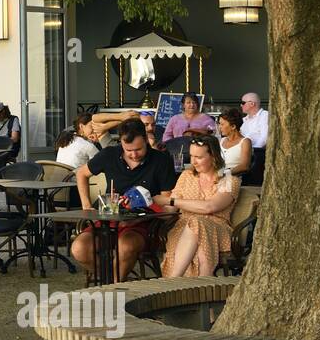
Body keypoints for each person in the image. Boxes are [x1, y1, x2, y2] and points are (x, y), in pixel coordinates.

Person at [71, 118, 177, 281]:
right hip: (110, 216)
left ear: (146, 139)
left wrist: (147, 207)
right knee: (79, 248)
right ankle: (109, 280)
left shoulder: (161, 160)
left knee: (125, 245)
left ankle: (112, 288)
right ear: (120, 142)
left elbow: (167, 200)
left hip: (145, 222)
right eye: (128, 150)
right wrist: (86, 205)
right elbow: (81, 174)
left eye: (139, 149)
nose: (134, 155)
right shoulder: (109, 154)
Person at [154, 135, 239, 277]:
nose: (193, 161)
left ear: (214, 156)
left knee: (196, 223)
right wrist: (151, 204)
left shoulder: (229, 180)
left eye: (199, 157)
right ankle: (201, 289)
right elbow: (170, 211)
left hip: (217, 228)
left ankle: (173, 281)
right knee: (197, 239)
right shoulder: (186, 176)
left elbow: (210, 207)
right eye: (191, 156)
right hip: (183, 228)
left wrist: (171, 201)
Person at [239, 92, 269, 185]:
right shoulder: (244, 120)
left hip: (258, 154)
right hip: (243, 154)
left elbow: (265, 137)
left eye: (243, 103)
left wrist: (251, 151)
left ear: (252, 104)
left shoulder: (265, 115)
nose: (241, 105)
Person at [216, 107, 253, 177]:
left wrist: (224, 174)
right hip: (218, 175)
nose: (219, 127)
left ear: (233, 126)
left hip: (234, 178)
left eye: (222, 124)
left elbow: (244, 166)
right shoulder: (221, 141)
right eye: (219, 124)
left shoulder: (245, 142)